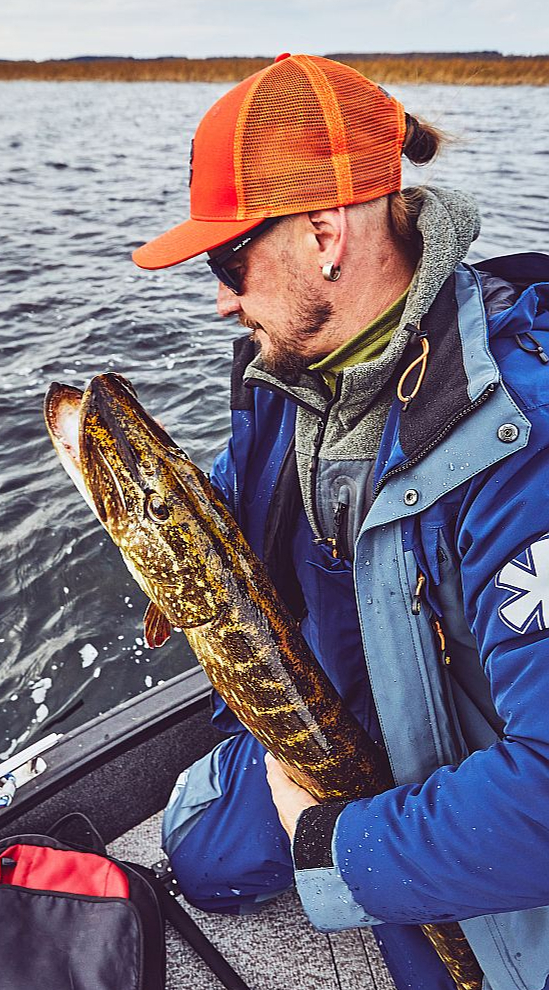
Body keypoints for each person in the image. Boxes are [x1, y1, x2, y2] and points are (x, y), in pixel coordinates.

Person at [132, 53, 549, 990]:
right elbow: (229, 521)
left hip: (467, 758)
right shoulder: (290, 376)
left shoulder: (521, 439)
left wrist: (330, 841)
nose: (220, 298)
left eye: (226, 259)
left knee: (426, 936)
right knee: (196, 846)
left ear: (324, 231)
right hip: (351, 701)